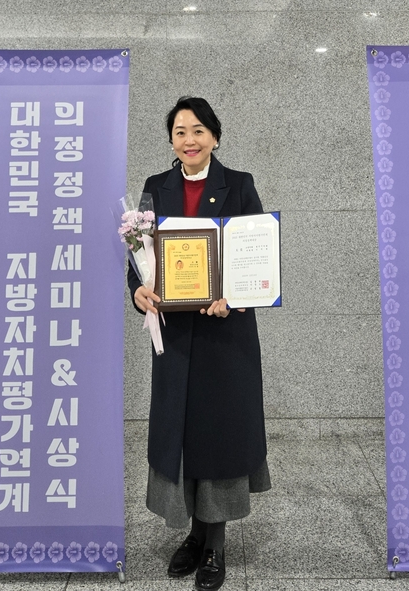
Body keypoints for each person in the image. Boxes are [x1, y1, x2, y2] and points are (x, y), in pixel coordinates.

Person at [128, 96, 271, 591]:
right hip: (175, 337)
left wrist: (235, 296)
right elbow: (139, 259)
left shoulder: (240, 185)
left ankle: (215, 543)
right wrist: (139, 291)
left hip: (224, 337)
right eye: (179, 132)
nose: (189, 140)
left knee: (219, 434)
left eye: (198, 131)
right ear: (171, 140)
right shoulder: (155, 188)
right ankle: (192, 534)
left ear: (215, 136)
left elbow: (257, 255)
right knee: (182, 433)